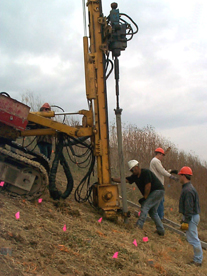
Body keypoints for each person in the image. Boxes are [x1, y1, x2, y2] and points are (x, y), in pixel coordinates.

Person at [112, 160, 165, 236]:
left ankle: (139, 226)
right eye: (131, 171)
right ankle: (161, 230)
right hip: (155, 192)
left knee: (145, 206)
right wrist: (112, 179)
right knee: (152, 212)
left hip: (158, 191)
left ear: (136, 167)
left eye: (132, 170)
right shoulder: (135, 176)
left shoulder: (146, 173)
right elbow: (125, 180)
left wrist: (145, 198)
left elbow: (148, 186)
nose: (132, 172)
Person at [178, 166, 203, 266]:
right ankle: (198, 259)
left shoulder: (187, 190)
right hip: (193, 216)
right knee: (193, 237)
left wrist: (186, 221)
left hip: (191, 216)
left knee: (193, 239)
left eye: (180, 175)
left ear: (184, 176)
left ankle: (198, 260)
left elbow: (189, 208)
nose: (179, 177)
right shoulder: (189, 187)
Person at [150, 147, 178, 220]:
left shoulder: (154, 161)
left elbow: (161, 171)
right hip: (158, 185)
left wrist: (170, 171)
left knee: (157, 201)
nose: (162, 157)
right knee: (160, 201)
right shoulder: (156, 161)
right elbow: (162, 171)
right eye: (162, 155)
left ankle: (156, 216)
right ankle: (160, 217)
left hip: (156, 184)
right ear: (159, 154)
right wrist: (171, 176)